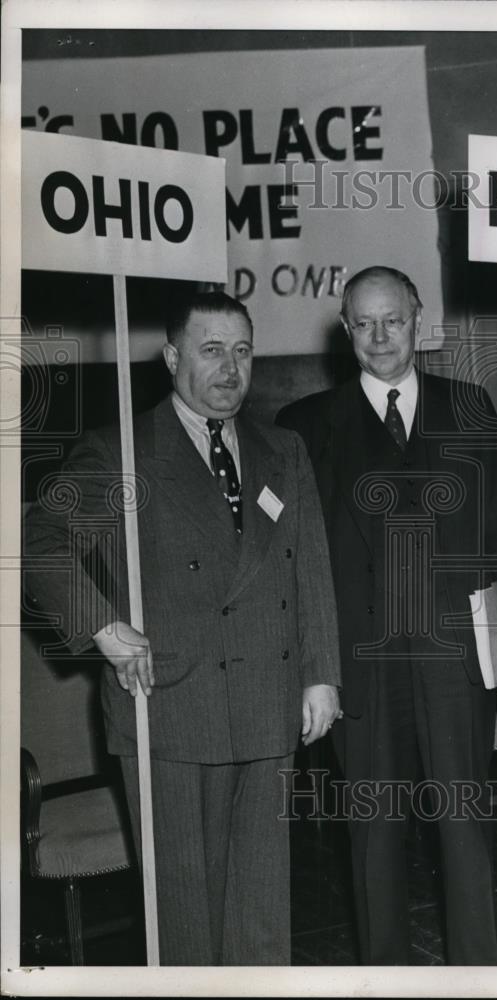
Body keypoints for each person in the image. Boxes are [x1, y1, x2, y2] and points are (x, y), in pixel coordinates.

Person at [23, 290, 342, 965]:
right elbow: (40, 543)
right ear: (172, 358)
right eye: (211, 350)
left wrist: (321, 676)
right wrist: (103, 627)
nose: (230, 368)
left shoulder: (282, 449)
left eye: (242, 351)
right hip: (167, 708)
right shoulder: (121, 452)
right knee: (183, 919)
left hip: (267, 703)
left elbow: (310, 568)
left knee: (262, 910)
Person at [276, 265, 497, 965]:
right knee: (374, 841)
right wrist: (313, 667)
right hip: (360, 667)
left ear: (418, 320)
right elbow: (294, 562)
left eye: (393, 320)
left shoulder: (469, 405)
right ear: (345, 330)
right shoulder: (305, 426)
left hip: (455, 658)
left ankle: (477, 977)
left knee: (465, 830)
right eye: (364, 324)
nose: (380, 336)